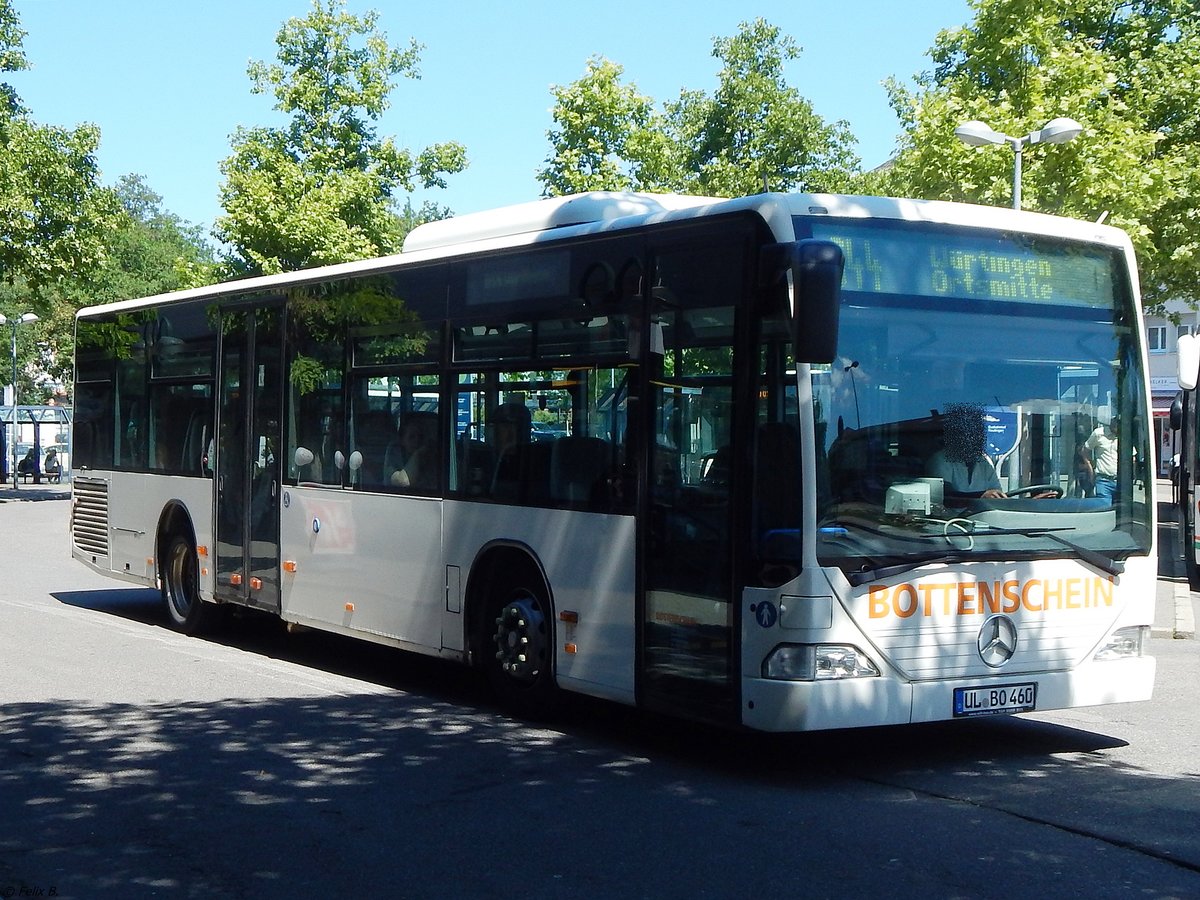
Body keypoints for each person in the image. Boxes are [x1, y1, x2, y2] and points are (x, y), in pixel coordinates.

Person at [926, 403, 1005, 498]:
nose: (974, 438)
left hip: (983, 512)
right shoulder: (940, 460)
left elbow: (996, 493)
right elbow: (945, 495)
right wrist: (981, 496)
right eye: (968, 433)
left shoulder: (983, 463)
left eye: (977, 433)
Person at [389, 413, 437, 490]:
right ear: (402, 440)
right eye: (412, 437)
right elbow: (403, 482)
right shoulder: (394, 455)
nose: (417, 440)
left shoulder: (434, 458)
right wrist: (417, 455)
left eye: (420, 436)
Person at [1085, 415, 1120, 503]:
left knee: (1122, 512)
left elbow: (1132, 457)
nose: (1116, 424)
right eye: (1114, 421)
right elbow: (1085, 450)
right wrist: (1090, 466)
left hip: (1122, 481)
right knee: (1104, 507)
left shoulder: (1125, 435)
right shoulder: (1098, 434)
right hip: (1104, 480)